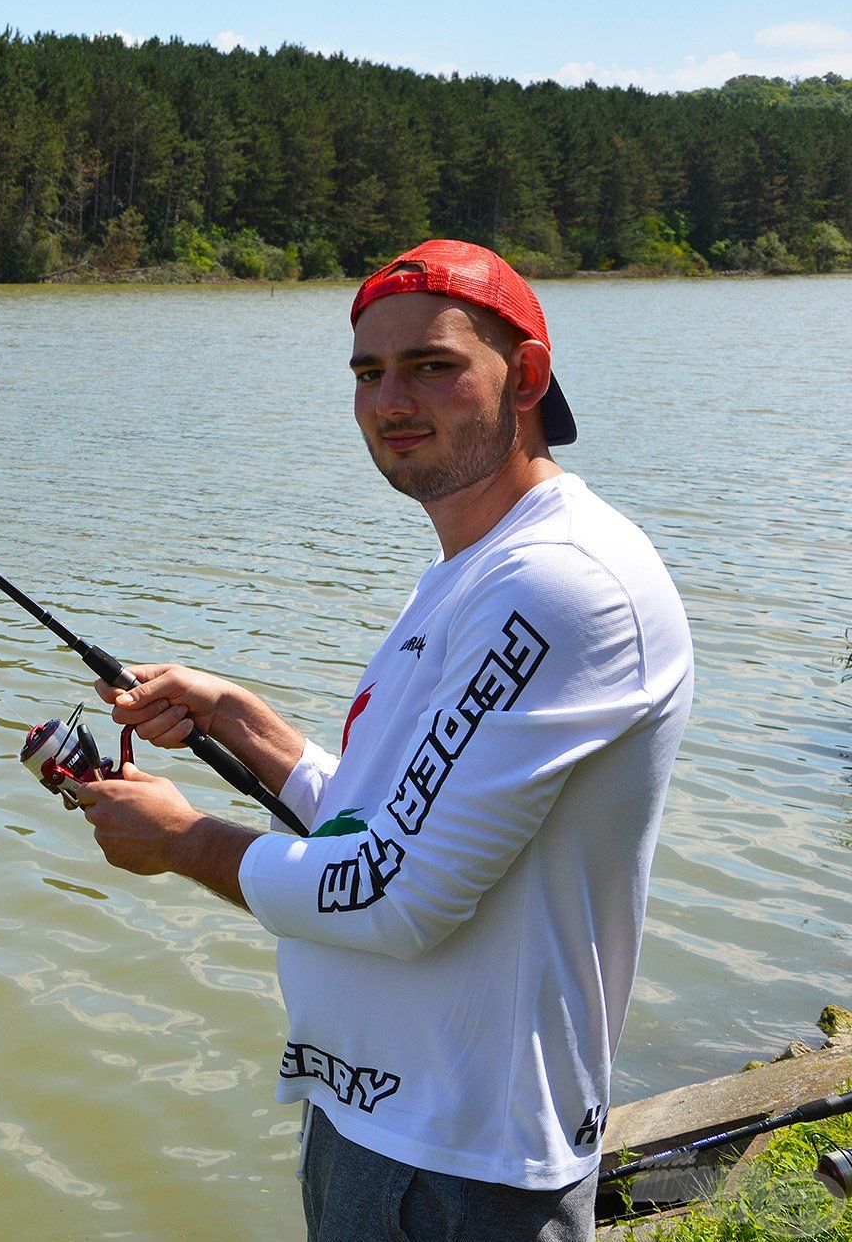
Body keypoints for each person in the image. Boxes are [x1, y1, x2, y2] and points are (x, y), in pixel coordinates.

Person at [73, 240, 693, 1241]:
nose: (391, 398)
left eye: (433, 365)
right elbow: (388, 823)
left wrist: (184, 839)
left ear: (526, 375)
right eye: (369, 371)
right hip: (377, 1118)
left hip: (464, 1161)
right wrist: (238, 717)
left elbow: (393, 891)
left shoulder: (561, 584)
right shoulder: (475, 573)